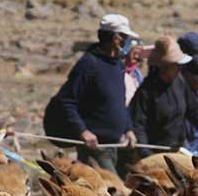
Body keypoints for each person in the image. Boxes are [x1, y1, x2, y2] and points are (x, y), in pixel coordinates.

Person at [44, 13, 137, 170]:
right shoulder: (89, 64)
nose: (127, 42)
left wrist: (128, 129)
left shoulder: (117, 64)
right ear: (116, 39)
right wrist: (83, 131)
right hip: (95, 147)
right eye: (125, 38)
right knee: (110, 185)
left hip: (116, 144)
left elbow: (119, 102)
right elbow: (67, 100)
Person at [127, 36, 198, 155]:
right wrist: (145, 154)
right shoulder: (146, 92)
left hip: (178, 149)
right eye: (176, 65)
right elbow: (139, 126)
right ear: (165, 67)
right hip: (155, 153)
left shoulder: (179, 83)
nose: (179, 68)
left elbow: (195, 112)